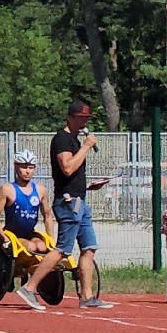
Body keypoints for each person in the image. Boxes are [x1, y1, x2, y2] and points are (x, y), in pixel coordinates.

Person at [49, 99, 112, 308]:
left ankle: (87, 297)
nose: (84, 123)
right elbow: (67, 168)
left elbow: (74, 174)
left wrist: (89, 187)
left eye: (87, 119)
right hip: (68, 202)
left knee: (89, 248)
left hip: (80, 200)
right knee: (63, 250)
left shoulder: (76, 141)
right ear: (70, 118)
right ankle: (30, 287)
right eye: (81, 118)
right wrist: (86, 147)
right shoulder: (62, 139)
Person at [0, 149, 65, 312]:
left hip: (30, 233)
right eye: (23, 167)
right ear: (16, 167)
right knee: (31, 247)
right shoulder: (7, 189)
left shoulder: (41, 190)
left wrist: (51, 238)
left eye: (30, 167)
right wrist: (4, 238)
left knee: (42, 247)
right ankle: (19, 274)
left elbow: (47, 215)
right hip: (13, 234)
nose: (27, 171)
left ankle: (35, 277)